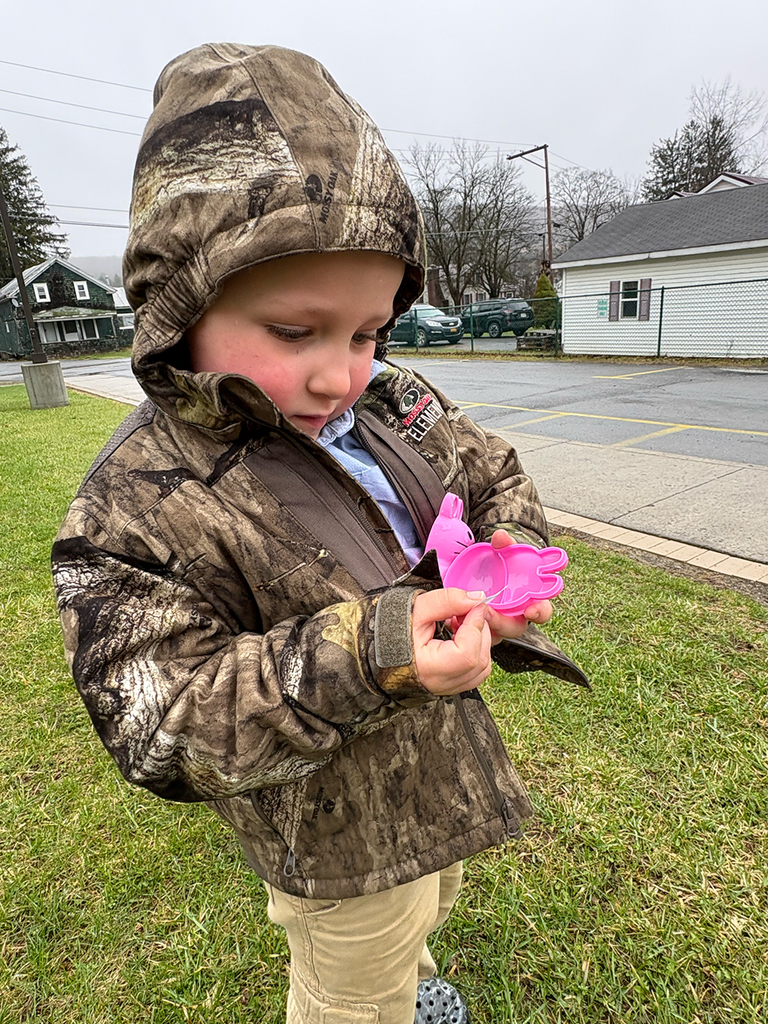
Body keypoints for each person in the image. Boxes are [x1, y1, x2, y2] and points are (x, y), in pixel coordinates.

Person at [52, 43, 587, 1024]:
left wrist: (505, 554)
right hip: (335, 839)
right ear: (181, 304)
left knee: (426, 910)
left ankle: (414, 986)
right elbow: (168, 725)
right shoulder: (133, 509)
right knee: (349, 992)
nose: (341, 373)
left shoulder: (395, 404)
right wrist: (376, 648)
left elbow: (489, 466)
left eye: (366, 329)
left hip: (437, 776)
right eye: (296, 332)